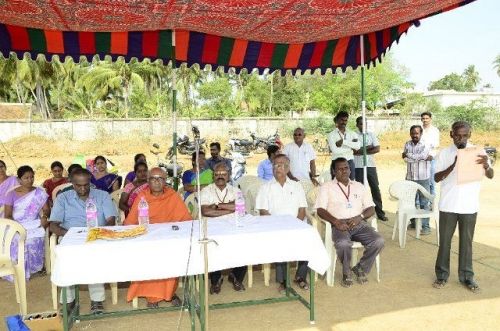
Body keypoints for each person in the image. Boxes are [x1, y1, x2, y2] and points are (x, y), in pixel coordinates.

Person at [433, 121, 494, 293]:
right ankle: (442, 275)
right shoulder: (444, 153)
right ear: (451, 134)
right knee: (445, 242)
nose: (461, 139)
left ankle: (467, 277)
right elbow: (436, 178)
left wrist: (486, 165)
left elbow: (490, 175)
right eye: (457, 135)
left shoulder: (478, 152)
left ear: (470, 134)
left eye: (465, 135)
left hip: (469, 206)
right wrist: (453, 165)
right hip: (448, 205)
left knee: (466, 243)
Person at [49, 168, 117, 314]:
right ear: (72, 183)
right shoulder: (63, 198)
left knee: (94, 255)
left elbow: (111, 220)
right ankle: (68, 300)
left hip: (97, 235)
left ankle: (97, 300)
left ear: (90, 182)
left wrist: (100, 233)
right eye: (78, 185)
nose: (83, 188)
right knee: (66, 257)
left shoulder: (102, 196)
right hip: (70, 237)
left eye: (86, 184)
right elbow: (53, 224)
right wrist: (70, 235)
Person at [124, 167, 192, 308]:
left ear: (165, 181)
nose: (156, 181)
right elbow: (130, 222)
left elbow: (185, 219)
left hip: (169, 239)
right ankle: (152, 297)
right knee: (148, 256)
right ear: (148, 181)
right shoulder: (142, 197)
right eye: (153, 178)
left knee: (173, 254)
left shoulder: (172, 195)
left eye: (160, 178)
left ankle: (169, 293)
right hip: (146, 239)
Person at [315, 158, 384, 288]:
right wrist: (335, 222)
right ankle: (346, 272)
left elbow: (371, 208)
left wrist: (360, 217)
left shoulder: (359, 186)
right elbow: (320, 210)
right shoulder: (327, 187)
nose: (344, 171)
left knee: (378, 241)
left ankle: (360, 268)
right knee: (342, 243)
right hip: (339, 224)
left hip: (358, 222)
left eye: (346, 168)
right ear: (334, 171)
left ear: (350, 169)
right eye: (340, 169)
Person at [255, 154, 309, 293]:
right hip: (275, 228)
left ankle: (300, 276)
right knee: (281, 242)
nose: (276, 168)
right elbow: (263, 211)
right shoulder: (265, 187)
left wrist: (295, 226)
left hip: (296, 226)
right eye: (274, 165)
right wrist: (279, 227)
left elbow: (302, 209)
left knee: (309, 239)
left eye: (280, 165)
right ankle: (283, 281)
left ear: (287, 168)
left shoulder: (297, 186)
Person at [200, 162, 247, 294]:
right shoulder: (206, 190)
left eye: (223, 174)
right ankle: (216, 280)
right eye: (217, 174)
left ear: (229, 176)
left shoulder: (235, 190)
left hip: (233, 227)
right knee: (212, 248)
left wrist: (217, 205)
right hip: (212, 228)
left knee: (244, 243)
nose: (220, 176)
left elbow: (241, 208)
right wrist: (230, 208)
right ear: (213, 176)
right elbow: (206, 212)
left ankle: (236, 277)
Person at [4, 165, 50, 281]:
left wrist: (44, 216)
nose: (30, 180)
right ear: (19, 179)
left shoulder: (39, 192)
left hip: (34, 223)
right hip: (16, 224)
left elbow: (46, 209)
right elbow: (8, 215)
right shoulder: (11, 194)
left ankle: (35, 268)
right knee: (17, 239)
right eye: (26, 178)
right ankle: (17, 268)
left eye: (32, 177)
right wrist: (17, 227)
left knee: (33, 238)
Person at [353, 116, 388, 221]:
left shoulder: (371, 134)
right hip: (358, 166)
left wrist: (363, 151)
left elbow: (377, 148)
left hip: (370, 165)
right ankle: (361, 214)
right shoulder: (354, 135)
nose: (362, 126)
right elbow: (355, 151)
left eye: (364, 123)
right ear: (357, 125)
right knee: (360, 190)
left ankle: (380, 213)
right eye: (360, 123)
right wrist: (368, 147)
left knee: (375, 189)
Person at [403, 125, 432, 235]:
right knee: (411, 202)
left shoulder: (425, 144)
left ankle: (425, 227)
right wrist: (416, 157)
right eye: (412, 133)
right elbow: (404, 158)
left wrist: (410, 156)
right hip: (410, 178)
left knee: (424, 202)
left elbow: (424, 156)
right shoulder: (407, 143)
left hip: (423, 177)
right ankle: (414, 223)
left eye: (417, 133)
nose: (414, 135)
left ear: (421, 133)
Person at [327, 111, 360, 180]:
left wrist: (343, 142)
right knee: (336, 186)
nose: (344, 122)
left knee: (350, 185)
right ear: (337, 120)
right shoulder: (331, 135)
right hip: (336, 162)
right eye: (342, 120)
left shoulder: (352, 133)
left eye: (345, 120)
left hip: (349, 162)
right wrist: (351, 147)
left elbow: (358, 146)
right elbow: (335, 150)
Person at [420, 112, 440, 196]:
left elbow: (436, 144)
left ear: (430, 119)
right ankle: (418, 203)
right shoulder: (419, 129)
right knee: (420, 181)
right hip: (420, 158)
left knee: (431, 181)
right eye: (423, 118)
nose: (425, 120)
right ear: (421, 119)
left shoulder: (435, 130)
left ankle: (432, 203)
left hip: (431, 158)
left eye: (427, 118)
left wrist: (424, 145)